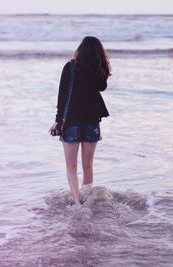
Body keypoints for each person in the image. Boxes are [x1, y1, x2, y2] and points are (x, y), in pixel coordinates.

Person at [48, 36, 111, 207]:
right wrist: (101, 64)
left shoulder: (70, 67)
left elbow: (62, 96)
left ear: (80, 49)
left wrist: (57, 120)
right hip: (91, 122)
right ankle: (88, 199)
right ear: (98, 53)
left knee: (71, 166)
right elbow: (102, 87)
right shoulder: (97, 70)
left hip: (71, 123)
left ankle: (77, 203)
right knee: (88, 165)